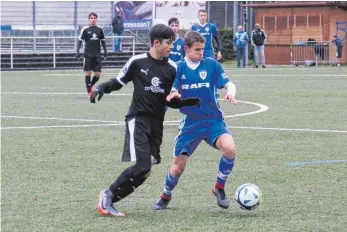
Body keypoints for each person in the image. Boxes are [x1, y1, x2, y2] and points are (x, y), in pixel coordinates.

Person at [91, 24, 200, 217]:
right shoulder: (138, 61)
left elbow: (172, 102)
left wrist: (191, 101)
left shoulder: (172, 68)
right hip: (138, 118)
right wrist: (101, 88)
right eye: (168, 43)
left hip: (157, 124)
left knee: (146, 170)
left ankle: (109, 200)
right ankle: (107, 195)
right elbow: (118, 82)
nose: (171, 47)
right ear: (156, 43)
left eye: (173, 43)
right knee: (142, 165)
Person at [152, 30, 237, 211]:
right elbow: (171, 93)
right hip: (191, 123)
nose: (201, 53)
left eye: (203, 49)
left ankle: (219, 187)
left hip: (213, 120)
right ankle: (165, 195)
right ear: (186, 49)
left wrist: (230, 92)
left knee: (230, 148)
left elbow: (229, 83)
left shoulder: (211, 65)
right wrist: (173, 94)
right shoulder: (178, 68)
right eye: (197, 50)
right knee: (177, 168)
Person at [76, 12, 107, 98]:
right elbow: (79, 41)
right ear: (89, 19)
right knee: (88, 74)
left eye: (94, 18)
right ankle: (89, 92)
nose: (93, 19)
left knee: (98, 74)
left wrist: (105, 51)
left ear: (96, 19)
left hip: (97, 56)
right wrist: (77, 52)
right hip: (88, 56)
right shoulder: (85, 29)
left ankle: (90, 85)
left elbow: (103, 41)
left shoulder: (100, 29)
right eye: (91, 18)